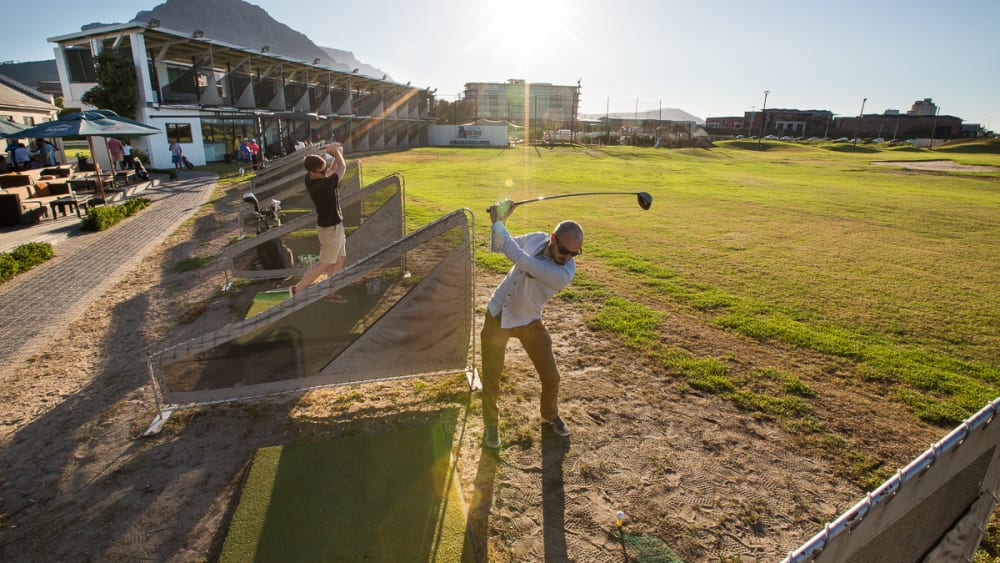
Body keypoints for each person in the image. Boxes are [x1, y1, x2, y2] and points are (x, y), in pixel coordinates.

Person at [480, 199, 583, 449]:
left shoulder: (563, 273)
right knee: (492, 377)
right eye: (564, 250)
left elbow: (521, 259)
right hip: (498, 314)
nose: (567, 257)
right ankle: (491, 426)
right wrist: (501, 222)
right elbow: (499, 246)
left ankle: (549, 415)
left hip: (529, 321)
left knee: (551, 376)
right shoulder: (537, 238)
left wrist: (497, 221)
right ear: (552, 238)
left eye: (574, 253)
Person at [289, 142, 349, 302]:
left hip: (336, 225)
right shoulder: (323, 184)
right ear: (312, 172)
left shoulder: (312, 177)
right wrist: (337, 153)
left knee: (339, 258)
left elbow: (330, 170)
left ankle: (331, 291)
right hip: (329, 228)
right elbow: (341, 169)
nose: (325, 172)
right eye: (321, 170)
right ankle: (298, 289)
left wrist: (337, 153)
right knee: (325, 262)